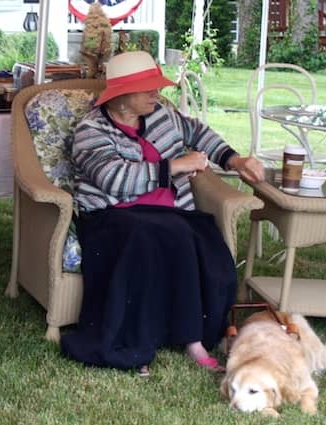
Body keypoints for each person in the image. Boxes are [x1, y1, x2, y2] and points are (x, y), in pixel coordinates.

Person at [60, 51, 265, 376]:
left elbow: (198, 133)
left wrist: (235, 161)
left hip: (168, 215)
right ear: (123, 97)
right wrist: (177, 165)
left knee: (206, 240)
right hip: (112, 217)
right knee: (163, 237)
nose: (158, 93)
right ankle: (153, 342)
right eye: (149, 88)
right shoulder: (91, 130)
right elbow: (113, 178)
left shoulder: (161, 115)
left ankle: (197, 335)